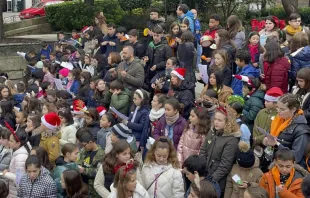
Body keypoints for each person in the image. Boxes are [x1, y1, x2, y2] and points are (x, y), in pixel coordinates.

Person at [199, 107, 241, 195]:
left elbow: (225, 166)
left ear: (228, 122)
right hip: (205, 174)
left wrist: (210, 180)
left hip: (217, 181)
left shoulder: (231, 140)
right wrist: (202, 169)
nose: (216, 122)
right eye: (215, 119)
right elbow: (203, 150)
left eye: (220, 120)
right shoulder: (212, 132)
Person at [262, 93, 310, 166]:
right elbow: (270, 135)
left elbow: (296, 157)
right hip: (272, 161)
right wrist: (266, 141)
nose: (278, 111)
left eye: (282, 109)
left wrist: (276, 144)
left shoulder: (301, 129)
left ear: (293, 109)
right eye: (278, 107)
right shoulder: (278, 120)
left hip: (286, 169)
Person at [3, 128, 31, 198]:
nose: (8, 142)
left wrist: (6, 174)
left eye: (11, 141)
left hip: (16, 192)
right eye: (9, 140)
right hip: (13, 189)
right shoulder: (16, 152)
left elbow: (19, 179)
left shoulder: (20, 157)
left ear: (18, 143)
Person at [77, 131, 105, 198]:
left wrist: (84, 170)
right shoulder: (83, 150)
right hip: (82, 182)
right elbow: (78, 161)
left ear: (90, 142)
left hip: (93, 186)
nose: (83, 147)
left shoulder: (101, 155)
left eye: (84, 145)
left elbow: (98, 172)